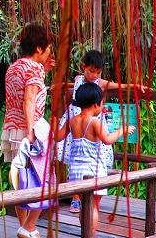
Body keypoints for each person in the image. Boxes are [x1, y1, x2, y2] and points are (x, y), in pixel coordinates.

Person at [57, 49, 146, 213]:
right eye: (91, 71)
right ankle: (76, 198)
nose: (94, 75)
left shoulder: (99, 82)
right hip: (76, 118)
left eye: (97, 72)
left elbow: (120, 86)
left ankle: (88, 196)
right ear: (83, 67)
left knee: (92, 158)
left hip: (93, 120)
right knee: (75, 157)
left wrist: (135, 86)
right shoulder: (77, 80)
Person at [0, 22, 56, 238]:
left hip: (11, 126)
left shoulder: (14, 67)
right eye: (49, 48)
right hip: (30, 127)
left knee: (21, 179)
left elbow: (26, 92)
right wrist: (32, 129)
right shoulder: (34, 68)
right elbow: (30, 99)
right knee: (44, 177)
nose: (50, 53)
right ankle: (30, 226)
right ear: (40, 49)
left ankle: (23, 227)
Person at [64, 82, 134, 238]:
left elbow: (59, 137)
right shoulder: (94, 122)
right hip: (93, 170)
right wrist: (122, 130)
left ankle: (86, 237)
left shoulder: (73, 120)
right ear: (96, 103)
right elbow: (107, 139)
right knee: (94, 206)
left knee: (83, 205)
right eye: (101, 103)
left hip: (76, 170)